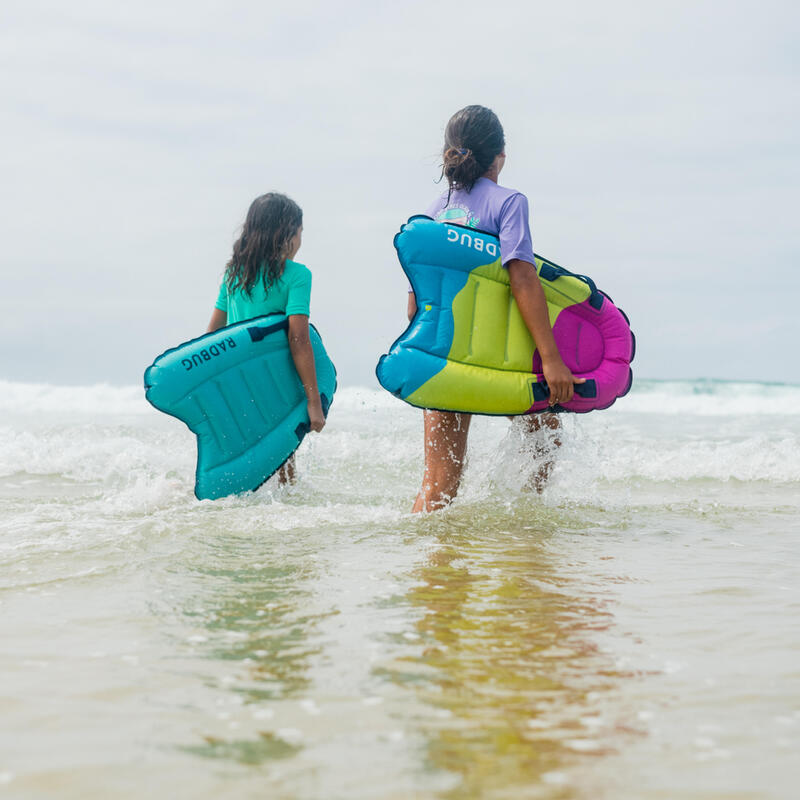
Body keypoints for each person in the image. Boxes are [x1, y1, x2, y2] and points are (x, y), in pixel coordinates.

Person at [408, 105, 583, 512]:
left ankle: (426, 564)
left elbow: (418, 297)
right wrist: (551, 358)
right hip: (494, 359)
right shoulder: (509, 203)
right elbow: (523, 279)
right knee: (546, 434)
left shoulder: (431, 213)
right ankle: (520, 531)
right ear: (499, 157)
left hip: (443, 356)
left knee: (438, 483)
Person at [206, 192, 325, 483]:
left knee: (242, 460)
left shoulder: (234, 274)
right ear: (287, 234)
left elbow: (212, 335)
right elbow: (298, 339)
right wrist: (313, 402)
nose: (300, 241)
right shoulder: (297, 275)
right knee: (286, 465)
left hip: (236, 381)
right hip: (275, 382)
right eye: (299, 232)